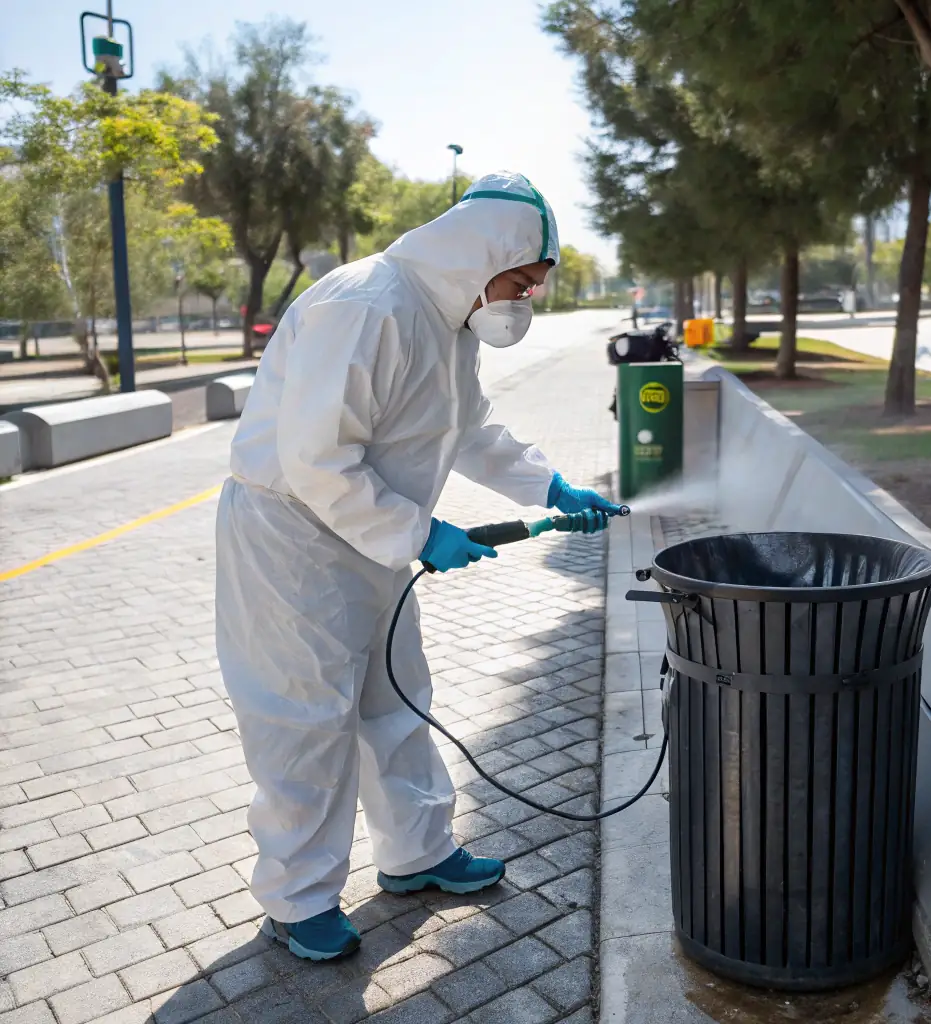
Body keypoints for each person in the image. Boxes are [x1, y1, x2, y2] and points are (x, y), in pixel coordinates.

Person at [216, 171, 620, 961]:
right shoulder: (364, 306)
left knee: (393, 698)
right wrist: (419, 530)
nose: (527, 298)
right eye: (522, 280)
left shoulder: (446, 319)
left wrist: (548, 484)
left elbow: (465, 430)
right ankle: (298, 900)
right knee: (305, 719)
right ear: (480, 258)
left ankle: (417, 854)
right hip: (292, 538)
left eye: (535, 286)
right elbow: (315, 459)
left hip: (372, 538)